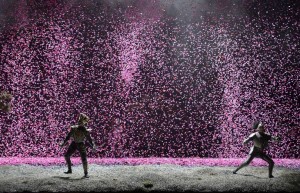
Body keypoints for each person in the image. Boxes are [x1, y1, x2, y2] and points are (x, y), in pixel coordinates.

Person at [60, 113, 96, 178]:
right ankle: (69, 170)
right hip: (74, 143)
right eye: (80, 121)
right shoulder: (74, 128)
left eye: (81, 122)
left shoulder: (85, 130)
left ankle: (86, 173)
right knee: (67, 156)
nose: (80, 123)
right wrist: (63, 143)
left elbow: (89, 139)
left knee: (84, 159)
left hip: (81, 144)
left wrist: (93, 145)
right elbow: (68, 137)